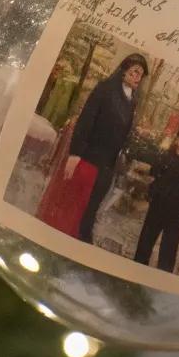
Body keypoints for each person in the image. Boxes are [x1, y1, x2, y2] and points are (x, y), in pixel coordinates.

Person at [36, 54, 146, 241]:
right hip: (89, 158)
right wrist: (75, 154)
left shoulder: (132, 99)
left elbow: (124, 131)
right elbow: (86, 120)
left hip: (108, 164)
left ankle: (81, 238)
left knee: (92, 207)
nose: (138, 78)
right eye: (135, 72)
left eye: (141, 75)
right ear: (123, 70)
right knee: (74, 205)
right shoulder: (105, 89)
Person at [133, 128, 179, 273]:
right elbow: (154, 171)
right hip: (160, 202)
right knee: (146, 239)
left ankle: (163, 275)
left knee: (170, 245)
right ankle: (137, 270)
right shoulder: (166, 155)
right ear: (177, 140)